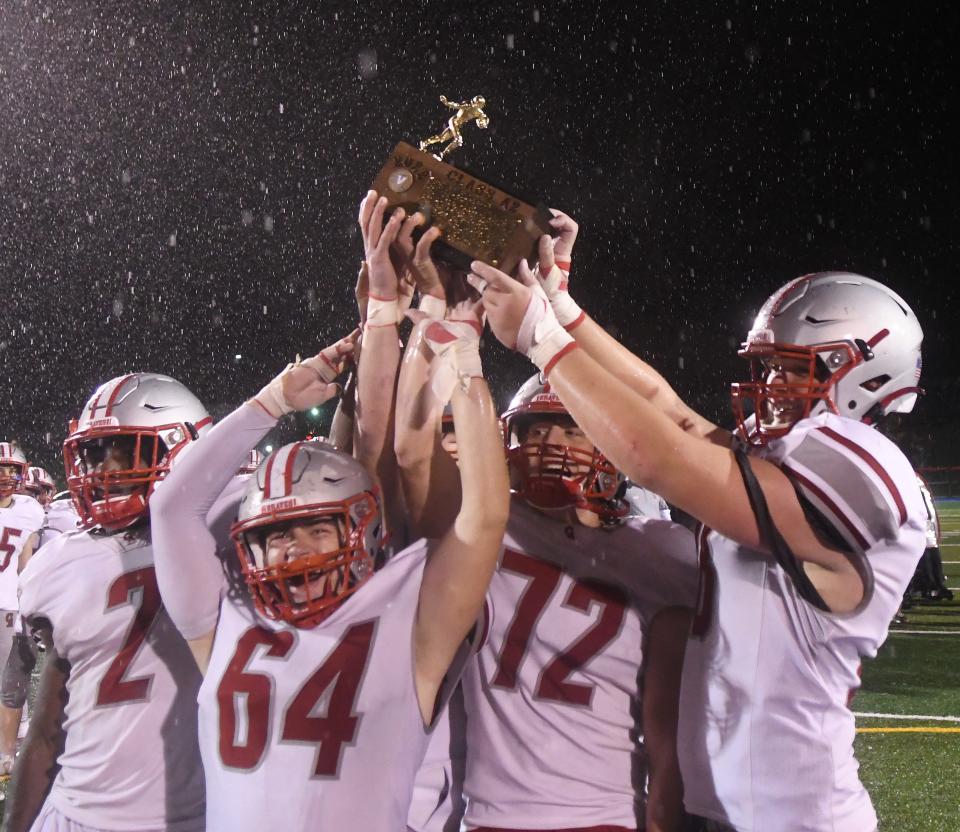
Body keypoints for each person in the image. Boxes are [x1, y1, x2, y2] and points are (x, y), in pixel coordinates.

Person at [474, 249, 926, 831]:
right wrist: (561, 309)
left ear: (868, 371)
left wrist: (541, 339)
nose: (771, 384)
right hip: (726, 809)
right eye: (767, 366)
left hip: (796, 818)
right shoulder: (785, 458)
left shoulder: (864, 461)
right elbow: (670, 411)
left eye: (793, 367)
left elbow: (659, 457)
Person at [150, 196, 509, 831]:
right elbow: (172, 507)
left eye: (319, 528)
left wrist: (462, 354)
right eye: (278, 535)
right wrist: (269, 400)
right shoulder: (226, 621)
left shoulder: (404, 619)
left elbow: (469, 509)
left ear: (363, 531)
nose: (295, 552)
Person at [394, 223, 697, 831]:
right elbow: (411, 448)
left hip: (607, 811)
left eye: (571, 430)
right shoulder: (486, 530)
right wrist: (440, 323)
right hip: (489, 815)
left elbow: (675, 731)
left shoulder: (662, 549)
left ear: (612, 446)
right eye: (535, 432)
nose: (552, 446)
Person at [3, 374, 212, 832]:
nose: (101, 470)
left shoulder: (229, 530)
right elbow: (47, 730)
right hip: (76, 807)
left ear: (182, 447)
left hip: (189, 813)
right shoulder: (65, 558)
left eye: (124, 449)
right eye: (94, 453)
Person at [0, 444, 44, 778]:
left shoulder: (28, 509)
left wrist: (28, 601)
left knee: (10, 680)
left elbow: (26, 561)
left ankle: (12, 742)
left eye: (10, 469)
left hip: (6, 604)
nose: (4, 476)